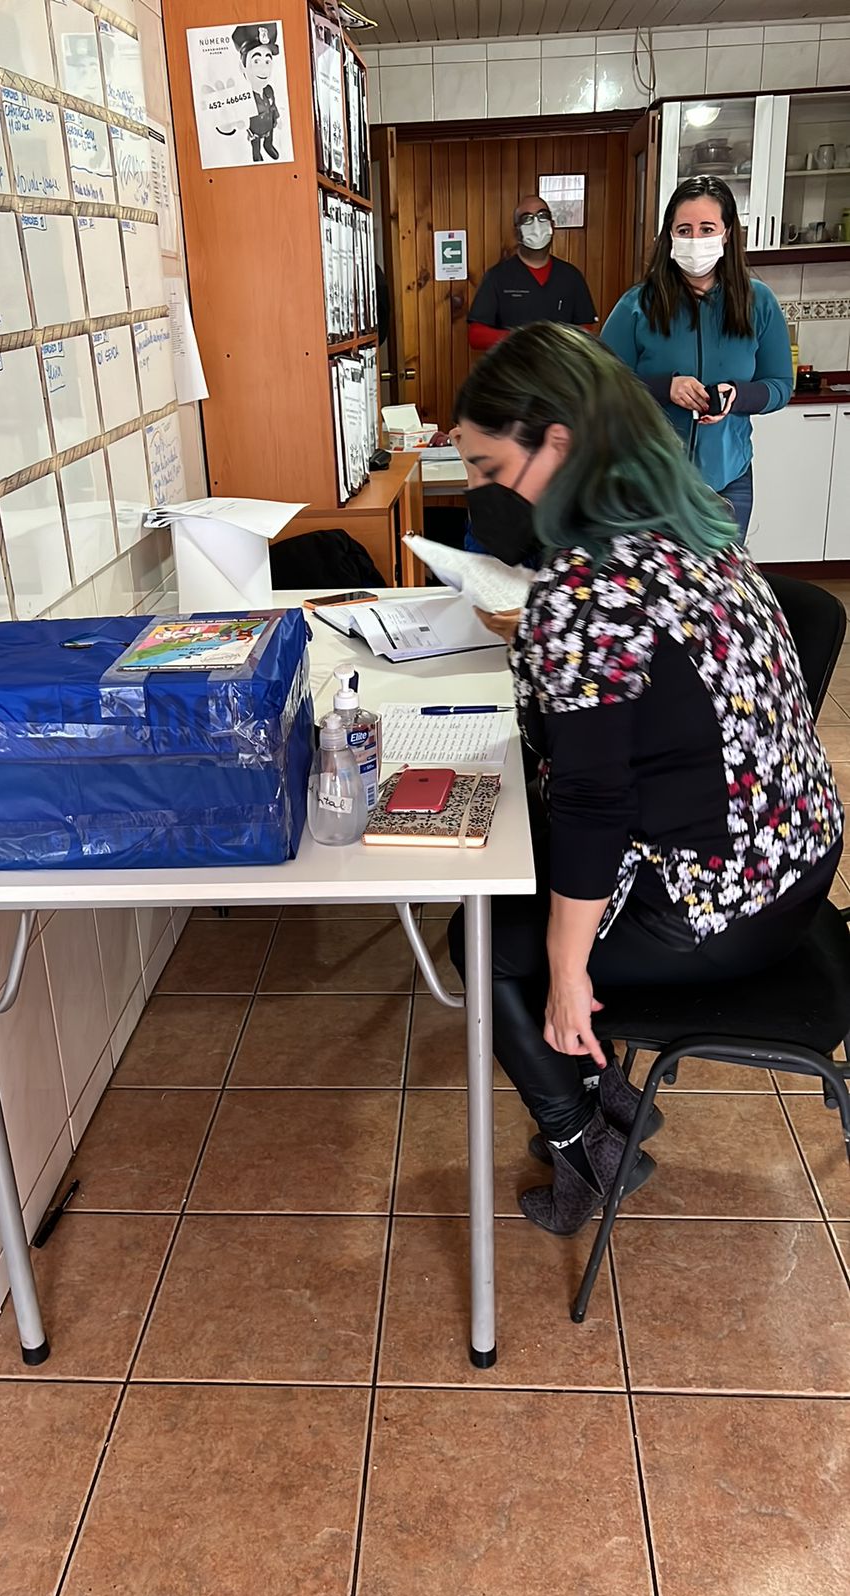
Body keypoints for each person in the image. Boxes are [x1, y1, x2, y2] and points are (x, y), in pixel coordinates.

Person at [447, 322, 842, 1238]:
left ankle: (587, 1145)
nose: (480, 493)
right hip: (797, 866)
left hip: (719, 905)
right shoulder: (693, 526)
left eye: (488, 469)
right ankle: (612, 1099)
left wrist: (567, 972)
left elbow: (595, 803)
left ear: (558, 444)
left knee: (485, 942)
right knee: (528, 890)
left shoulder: (586, 588)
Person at [601, 175, 793, 545]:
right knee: (655, 579)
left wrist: (738, 396)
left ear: (726, 233)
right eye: (684, 230)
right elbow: (601, 383)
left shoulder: (759, 302)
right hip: (648, 484)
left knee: (719, 579)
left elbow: (780, 386)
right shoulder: (637, 305)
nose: (695, 239)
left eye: (706, 229)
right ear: (669, 236)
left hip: (728, 482)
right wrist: (664, 388)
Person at [467, 195, 598, 352]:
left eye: (543, 216)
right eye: (527, 219)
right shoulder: (497, 277)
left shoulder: (571, 276)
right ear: (516, 232)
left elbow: (586, 330)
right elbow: (476, 335)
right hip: (514, 366)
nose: (536, 225)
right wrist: (524, 340)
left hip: (560, 366)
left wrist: (560, 343)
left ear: (552, 225)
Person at [233, 23, 280, 163]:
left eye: (267, 61)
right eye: (257, 61)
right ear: (243, 66)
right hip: (255, 128)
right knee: (256, 143)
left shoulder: (269, 90)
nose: (263, 69)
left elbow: (273, 105)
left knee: (269, 137)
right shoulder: (245, 96)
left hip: (269, 124)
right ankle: (257, 154)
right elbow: (240, 118)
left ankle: (268, 145)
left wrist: (275, 117)